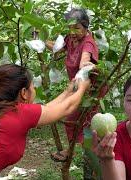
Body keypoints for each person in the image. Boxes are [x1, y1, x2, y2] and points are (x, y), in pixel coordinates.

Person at [0, 64, 91, 178]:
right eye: (33, 87)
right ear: (23, 93)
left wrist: (68, 91)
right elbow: (67, 108)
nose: (34, 91)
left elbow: (47, 108)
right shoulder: (19, 113)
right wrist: (83, 88)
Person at [46, 8, 107, 161]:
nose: (73, 32)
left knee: (76, 119)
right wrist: (40, 41)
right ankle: (87, 150)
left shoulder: (88, 43)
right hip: (77, 86)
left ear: (85, 27)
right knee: (82, 121)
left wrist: (86, 64)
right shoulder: (71, 38)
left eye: (77, 28)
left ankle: (82, 151)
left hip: (88, 89)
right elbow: (56, 48)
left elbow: (84, 61)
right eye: (70, 28)